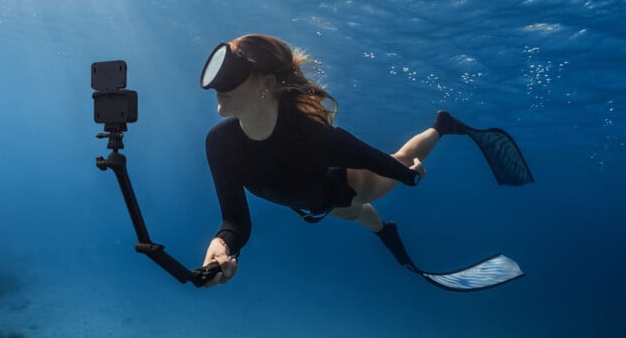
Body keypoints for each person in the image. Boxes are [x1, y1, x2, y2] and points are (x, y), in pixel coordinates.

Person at [198, 34, 532, 288]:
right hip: (316, 203)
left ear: (267, 84)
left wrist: (410, 176)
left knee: (380, 179)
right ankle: (385, 230)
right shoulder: (220, 144)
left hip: (349, 187)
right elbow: (236, 222)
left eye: (233, 73)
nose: (218, 85)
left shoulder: (314, 137)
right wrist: (222, 244)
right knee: (354, 215)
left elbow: (380, 162)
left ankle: (441, 126)